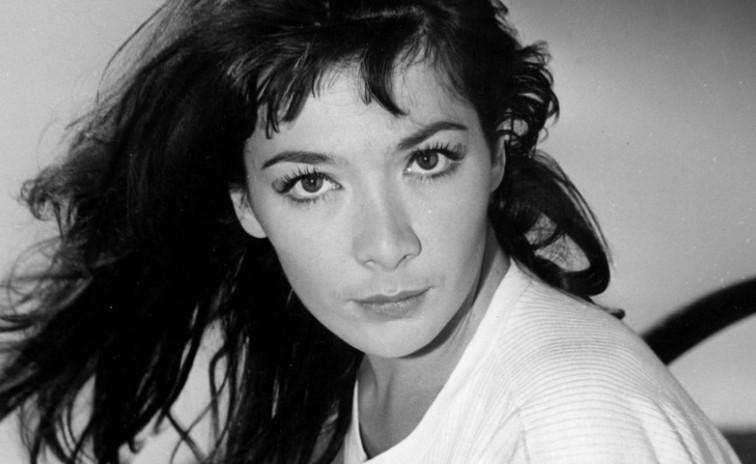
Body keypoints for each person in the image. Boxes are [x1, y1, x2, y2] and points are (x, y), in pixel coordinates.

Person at [0, 0, 741, 463]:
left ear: (496, 154)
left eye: (428, 160)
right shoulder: (347, 384)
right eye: (310, 183)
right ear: (248, 205)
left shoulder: (573, 423)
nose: (386, 246)